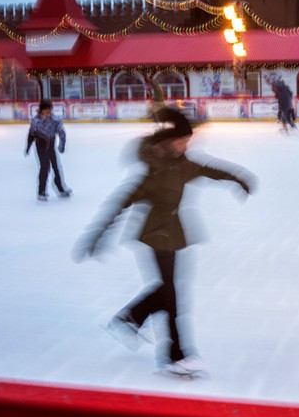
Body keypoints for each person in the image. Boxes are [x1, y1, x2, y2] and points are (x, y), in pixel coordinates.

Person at [73, 107, 256, 376]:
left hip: (175, 233)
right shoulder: (153, 173)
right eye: (183, 141)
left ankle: (132, 317)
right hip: (155, 234)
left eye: (188, 141)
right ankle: (175, 355)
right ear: (168, 142)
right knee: (171, 296)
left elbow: (211, 170)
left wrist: (239, 179)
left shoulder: (184, 165)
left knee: (167, 290)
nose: (187, 145)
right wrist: (98, 235)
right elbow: (120, 202)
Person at [25, 100, 71, 201]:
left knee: (56, 167)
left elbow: (62, 133)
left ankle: (60, 188)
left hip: (50, 147)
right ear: (41, 110)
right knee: (45, 167)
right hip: (40, 147)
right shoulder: (36, 121)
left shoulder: (55, 120)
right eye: (46, 109)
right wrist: (28, 146)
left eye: (49, 109)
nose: (48, 111)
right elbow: (31, 134)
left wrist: (61, 145)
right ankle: (41, 191)